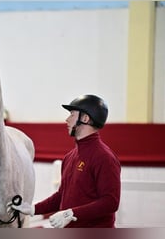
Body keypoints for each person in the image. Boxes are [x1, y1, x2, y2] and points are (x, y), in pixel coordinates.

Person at [8, 94, 121, 228]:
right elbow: (61, 195)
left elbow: (110, 202)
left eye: (72, 115)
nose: (67, 120)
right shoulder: (70, 157)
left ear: (85, 118)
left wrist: (71, 213)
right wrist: (33, 209)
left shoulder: (104, 157)